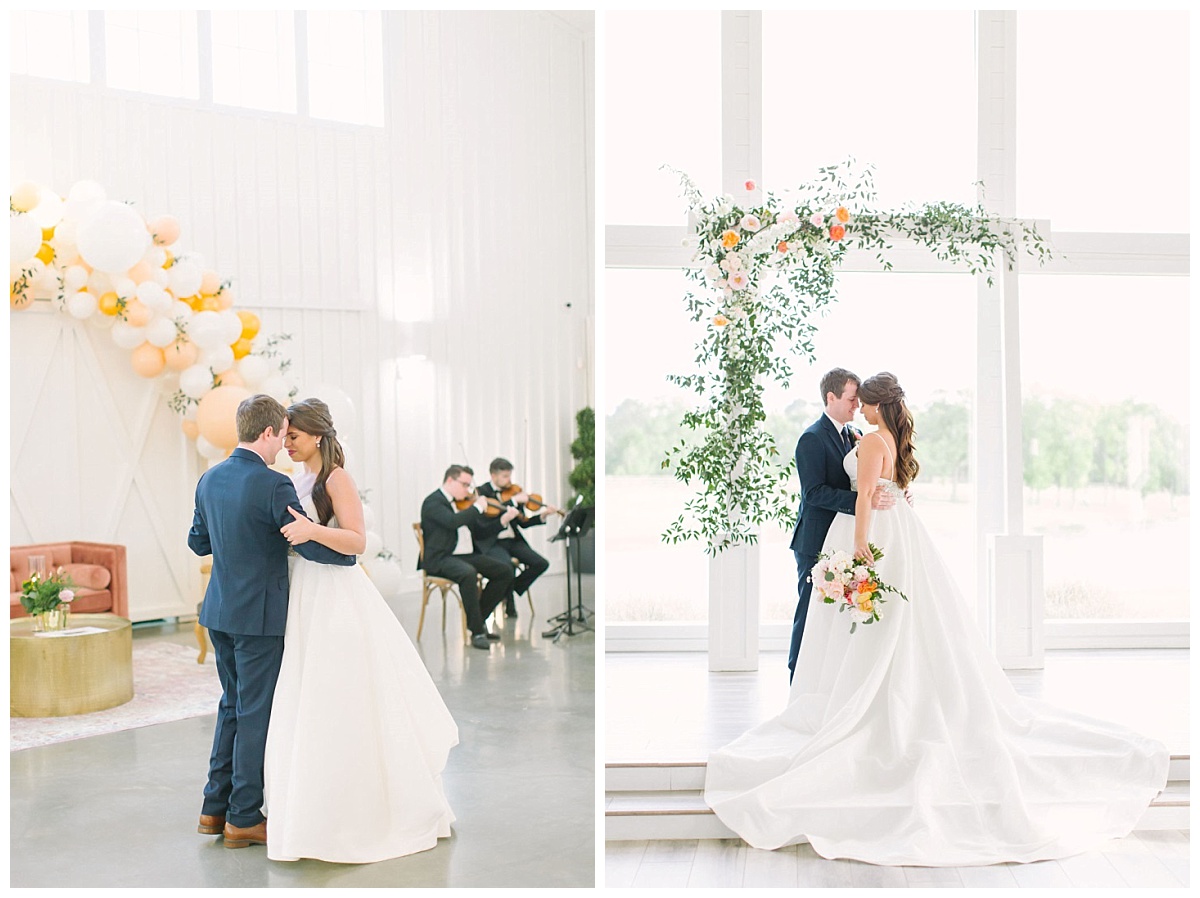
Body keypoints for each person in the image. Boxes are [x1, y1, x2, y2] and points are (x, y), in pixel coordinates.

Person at [705, 372, 1169, 866]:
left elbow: (865, 496)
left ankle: (856, 703)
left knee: (868, 623)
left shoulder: (867, 441)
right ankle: (842, 691)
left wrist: (861, 545)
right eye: (851, 398)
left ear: (876, 405)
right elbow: (843, 490)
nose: (857, 405)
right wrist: (885, 501)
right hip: (881, 533)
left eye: (864, 401)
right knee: (864, 623)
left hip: (865, 534)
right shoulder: (872, 437)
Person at [263, 398, 458, 863]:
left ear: (316, 436)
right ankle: (315, 806)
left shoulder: (336, 478)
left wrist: (310, 531)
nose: (287, 442)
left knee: (343, 691)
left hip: (336, 591)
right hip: (304, 588)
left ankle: (361, 813)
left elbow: (357, 540)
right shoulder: (295, 479)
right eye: (284, 436)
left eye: (293, 435)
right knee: (307, 692)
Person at [188, 394, 356, 849]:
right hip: (258, 618)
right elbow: (303, 542)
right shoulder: (273, 484)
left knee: (231, 706)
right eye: (282, 433)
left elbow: (198, 543)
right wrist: (345, 559)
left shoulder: (209, 478)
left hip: (219, 612)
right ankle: (243, 817)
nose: (284, 442)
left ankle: (212, 808)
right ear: (267, 432)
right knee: (255, 712)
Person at [787, 368, 894, 682]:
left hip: (840, 540)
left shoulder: (853, 435)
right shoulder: (811, 438)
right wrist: (864, 498)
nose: (856, 406)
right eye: (851, 399)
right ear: (830, 397)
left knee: (830, 621)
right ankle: (797, 680)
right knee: (808, 616)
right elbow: (814, 492)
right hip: (814, 541)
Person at [419, 465, 517, 649]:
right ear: (450, 480)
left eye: (469, 486)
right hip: (440, 558)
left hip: (464, 555)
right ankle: (477, 632)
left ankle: (478, 620)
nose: (468, 490)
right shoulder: (433, 502)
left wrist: (502, 521)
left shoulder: (463, 503)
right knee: (468, 573)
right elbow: (452, 522)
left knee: (505, 571)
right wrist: (478, 507)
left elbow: (480, 532)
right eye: (465, 485)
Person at [472, 457, 553, 619]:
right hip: (493, 542)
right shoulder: (480, 492)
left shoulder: (515, 491)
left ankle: (510, 591)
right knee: (507, 566)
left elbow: (523, 522)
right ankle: (509, 603)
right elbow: (483, 522)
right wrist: (513, 501)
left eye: (509, 476)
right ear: (493, 475)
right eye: (505, 477)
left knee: (541, 563)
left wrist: (542, 516)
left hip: (513, 540)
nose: (509, 481)